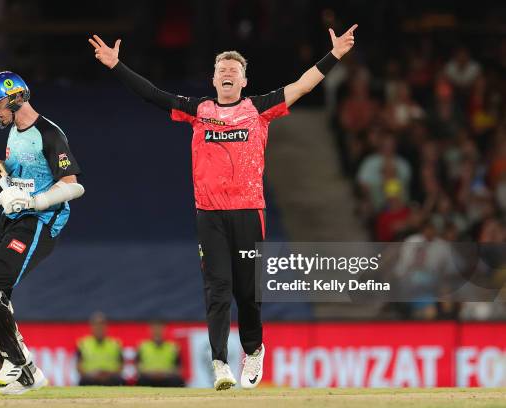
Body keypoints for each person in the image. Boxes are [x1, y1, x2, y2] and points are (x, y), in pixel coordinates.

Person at [88, 23, 357, 390]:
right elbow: (152, 94)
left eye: (234, 70)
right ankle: (220, 364)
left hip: (249, 211)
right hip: (209, 214)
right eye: (221, 70)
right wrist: (116, 66)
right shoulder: (198, 110)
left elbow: (304, 84)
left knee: (247, 293)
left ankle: (254, 350)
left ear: (244, 81)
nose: (228, 73)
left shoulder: (259, 108)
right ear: (213, 80)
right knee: (217, 289)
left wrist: (335, 55)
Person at [0, 71, 84, 395]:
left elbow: (74, 186)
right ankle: (21, 367)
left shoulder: (49, 133)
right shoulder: (14, 132)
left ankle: (21, 364)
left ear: (15, 98)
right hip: (10, 217)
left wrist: (34, 200)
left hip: (40, 221)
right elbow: (11, 174)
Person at [76, 312, 125, 386]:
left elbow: (121, 366)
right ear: (91, 326)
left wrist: (108, 374)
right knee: (84, 381)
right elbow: (78, 366)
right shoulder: (83, 344)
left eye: (102, 324)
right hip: (90, 378)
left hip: (110, 378)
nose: (99, 327)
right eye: (96, 325)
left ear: (106, 326)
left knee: (118, 380)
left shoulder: (115, 344)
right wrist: (93, 375)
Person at [135, 322, 184, 387]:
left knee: (178, 381)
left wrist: (164, 373)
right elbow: (138, 366)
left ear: (164, 330)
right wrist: (151, 373)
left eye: (159, 329)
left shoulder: (172, 347)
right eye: (155, 329)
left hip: (167, 377)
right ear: (150, 330)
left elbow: (178, 368)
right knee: (141, 380)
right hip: (149, 376)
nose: (157, 331)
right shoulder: (143, 346)